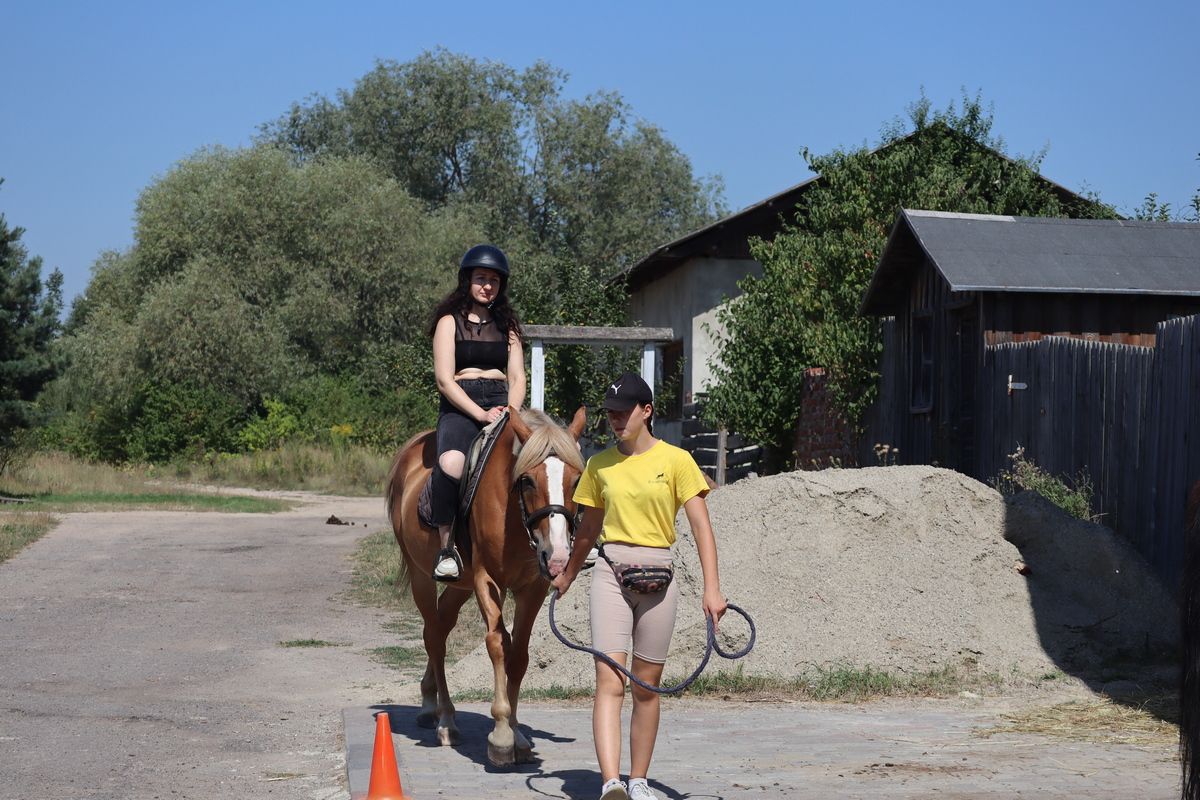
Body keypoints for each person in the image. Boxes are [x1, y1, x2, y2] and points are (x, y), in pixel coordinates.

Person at [551, 371, 727, 800]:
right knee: (610, 680)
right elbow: (588, 529)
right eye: (610, 413)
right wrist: (569, 573)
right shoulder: (599, 465)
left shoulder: (677, 461)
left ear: (646, 411)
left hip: (659, 579)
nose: (615, 419)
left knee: (646, 688)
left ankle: (639, 780)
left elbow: (701, 527)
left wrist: (712, 588)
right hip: (611, 575)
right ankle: (611, 782)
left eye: (623, 412)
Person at [427, 244, 525, 581]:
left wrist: (511, 412)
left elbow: (517, 377)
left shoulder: (508, 326)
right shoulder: (448, 322)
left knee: (546, 457)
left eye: (494, 280)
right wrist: (480, 415)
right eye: (481, 278)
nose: (487, 286)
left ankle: (565, 536)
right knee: (452, 463)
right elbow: (444, 380)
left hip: (502, 401)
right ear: (467, 280)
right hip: (461, 402)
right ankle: (446, 549)